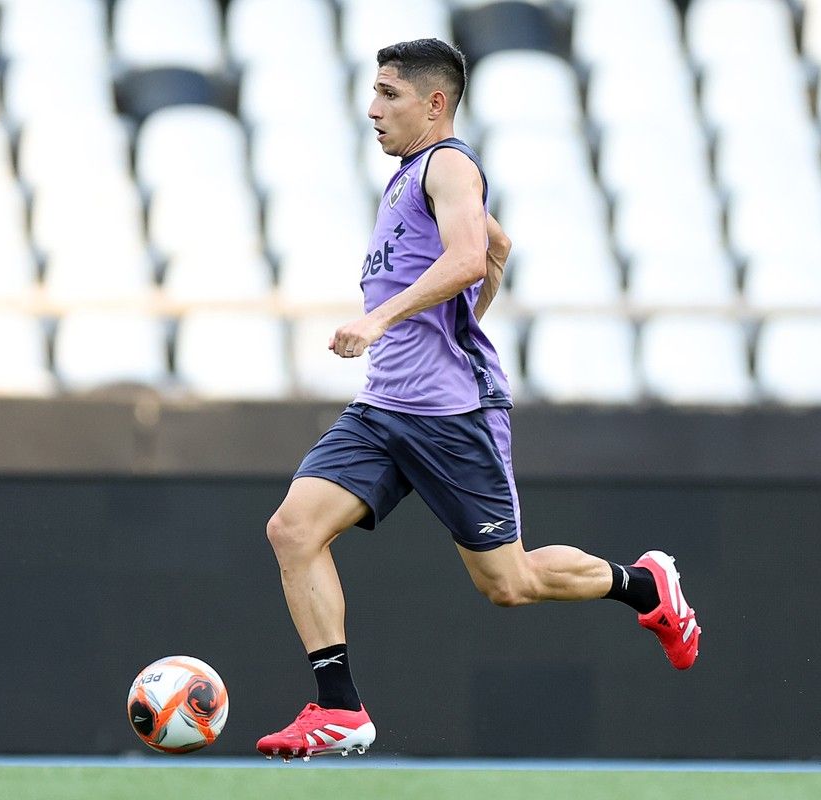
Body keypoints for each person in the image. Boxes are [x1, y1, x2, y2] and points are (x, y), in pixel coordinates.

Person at [255, 39, 701, 762]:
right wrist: (468, 295)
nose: (373, 109)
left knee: (509, 584)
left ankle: (644, 585)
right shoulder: (409, 178)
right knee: (293, 530)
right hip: (385, 407)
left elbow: (469, 256)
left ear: (435, 104)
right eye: (373, 93)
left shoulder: (450, 163)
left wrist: (379, 319)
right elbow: (492, 247)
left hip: (450, 416)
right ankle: (339, 709)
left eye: (389, 95)